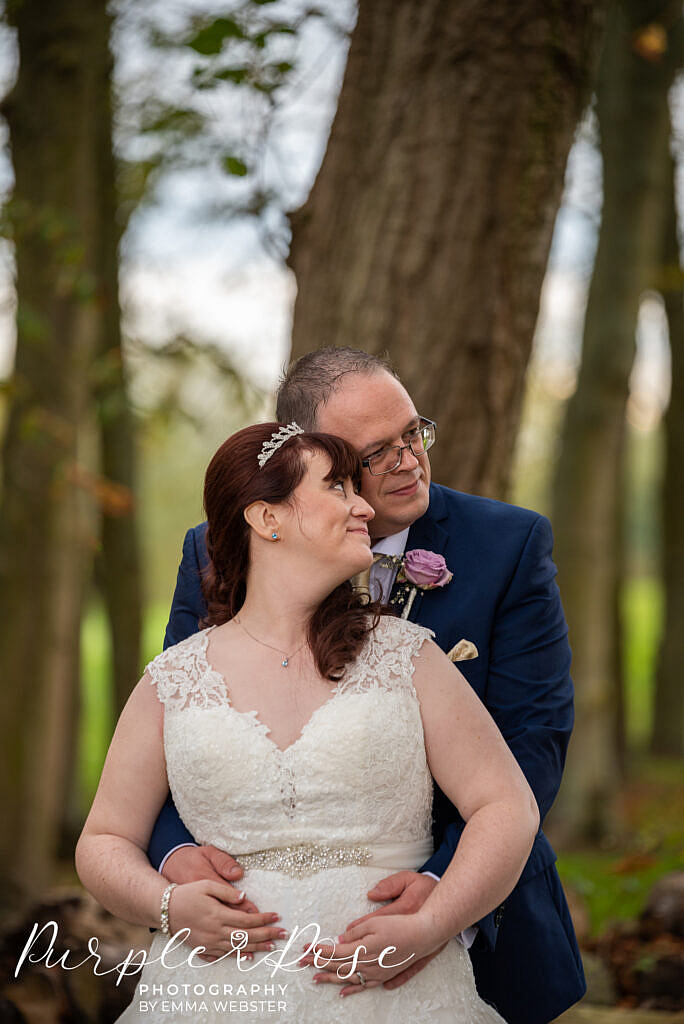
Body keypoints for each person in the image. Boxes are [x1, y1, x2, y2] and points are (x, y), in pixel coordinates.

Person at [148, 348, 587, 1024]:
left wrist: (442, 900)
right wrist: (176, 858)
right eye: (374, 452)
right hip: (246, 942)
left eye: (413, 433)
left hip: (478, 921)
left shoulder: (508, 544)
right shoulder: (216, 552)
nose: (408, 461)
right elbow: (181, 721)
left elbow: (535, 742)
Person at [76, 422, 539, 1023]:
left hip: (395, 999)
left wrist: (432, 924)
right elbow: (103, 841)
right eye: (339, 488)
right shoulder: (173, 679)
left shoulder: (408, 656)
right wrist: (167, 906)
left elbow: (508, 808)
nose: (364, 507)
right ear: (266, 518)